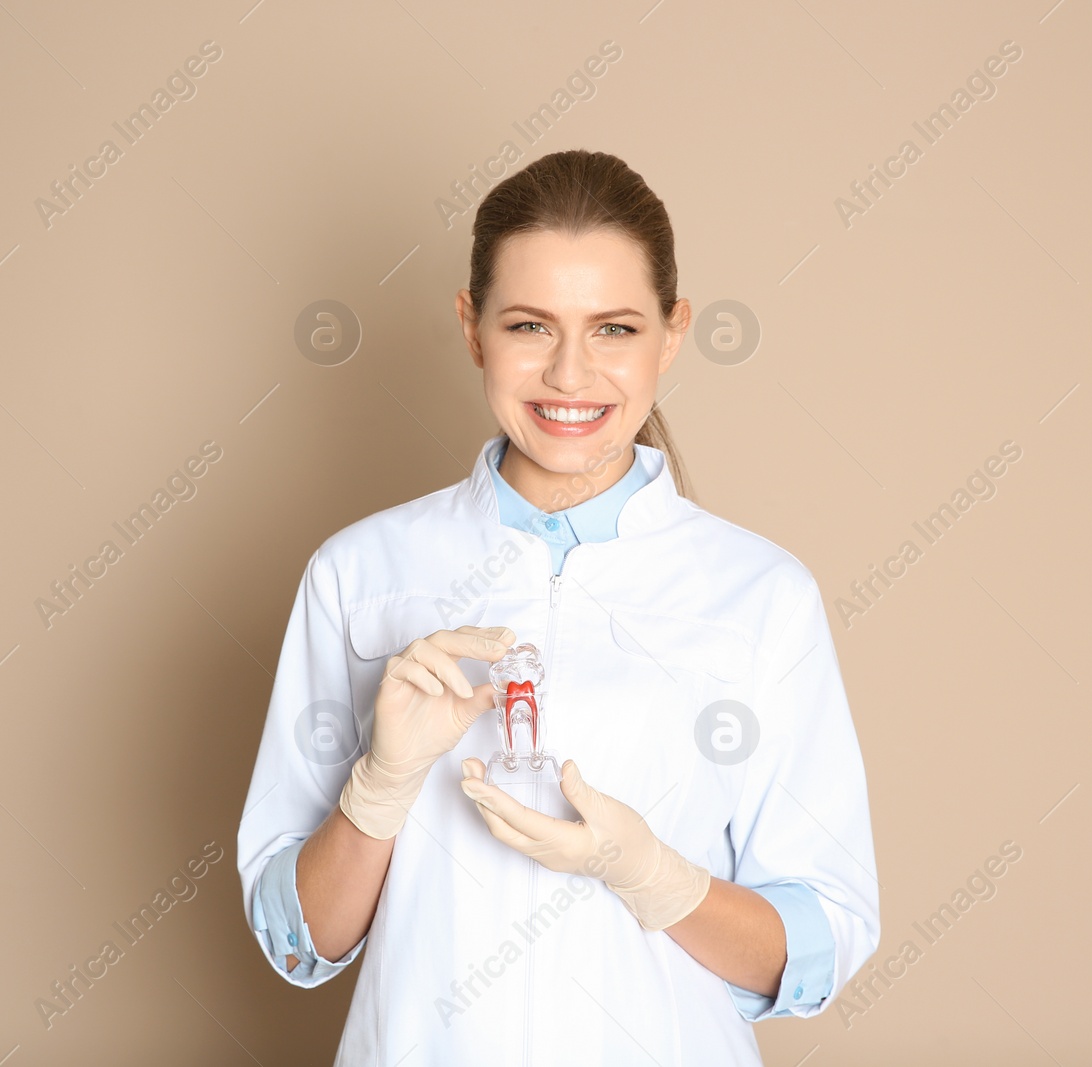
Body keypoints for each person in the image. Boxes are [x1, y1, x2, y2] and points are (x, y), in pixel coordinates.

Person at [236, 148, 879, 1065]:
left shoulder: (760, 596)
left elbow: (821, 941)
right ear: (472, 328)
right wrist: (378, 790)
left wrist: (657, 877)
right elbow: (303, 940)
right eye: (531, 324)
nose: (570, 375)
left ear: (673, 331)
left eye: (613, 329)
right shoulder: (362, 573)